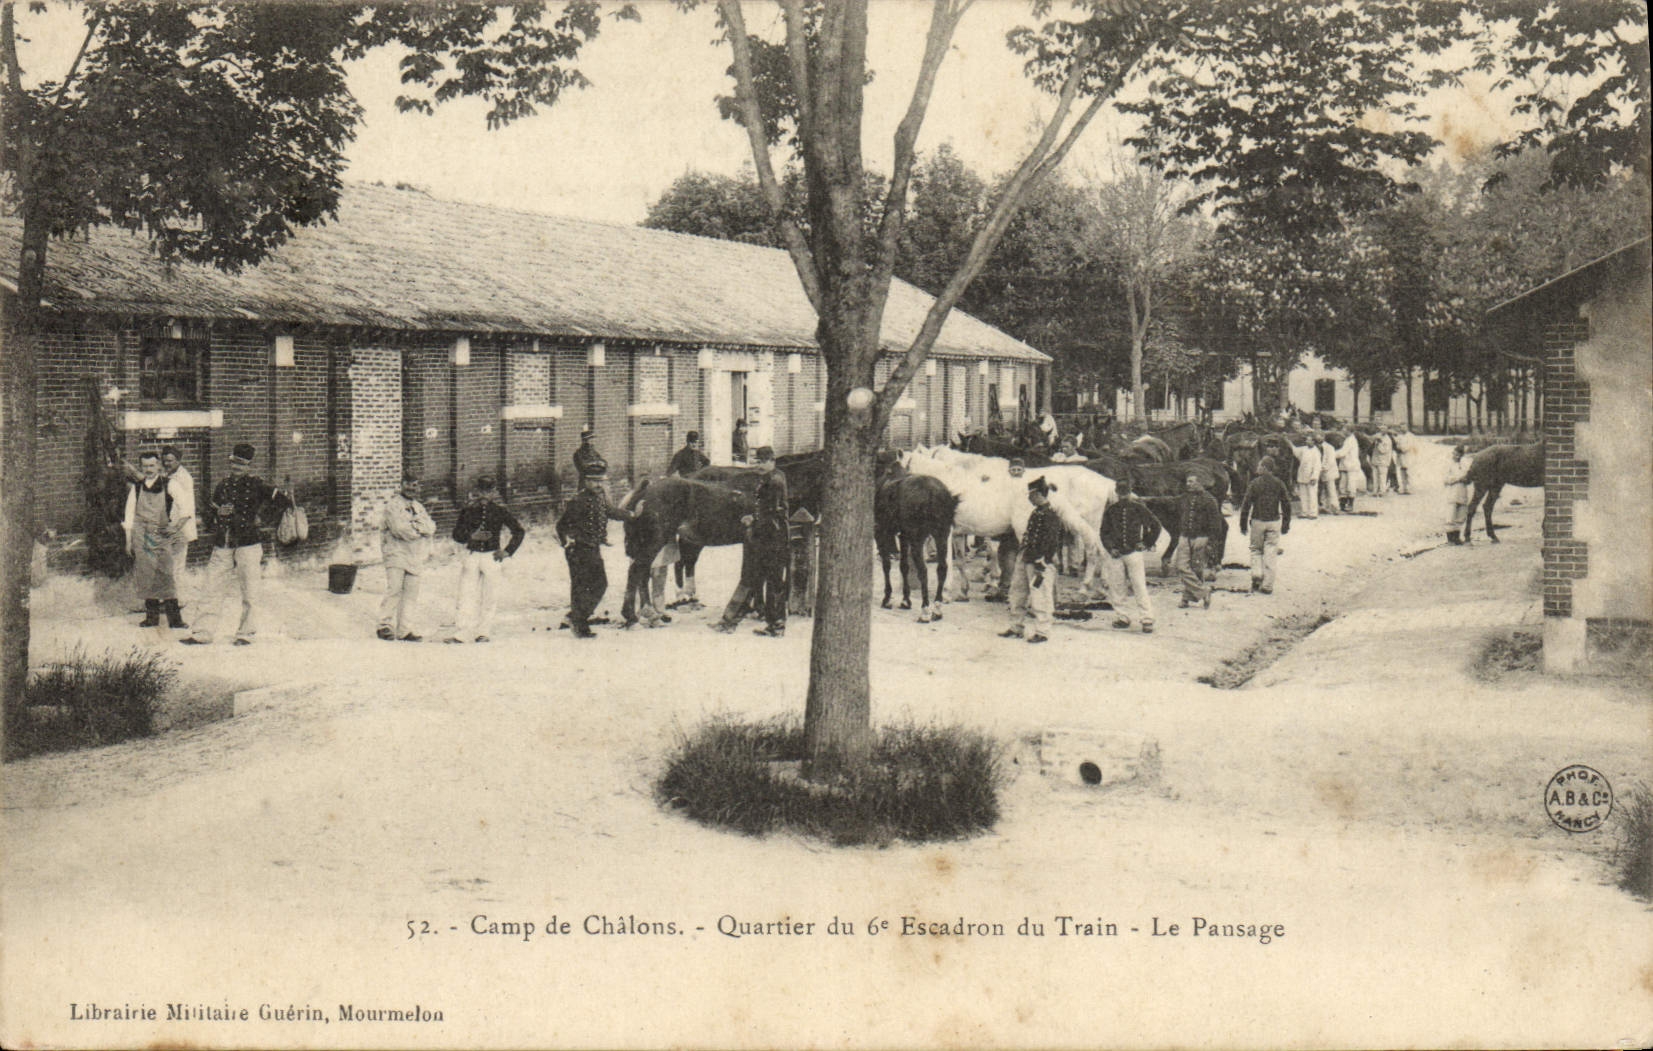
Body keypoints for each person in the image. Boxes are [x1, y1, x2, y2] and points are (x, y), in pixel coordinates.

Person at [183, 443, 283, 645]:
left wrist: (261, 518)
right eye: (234, 463)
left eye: (241, 464)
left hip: (248, 543)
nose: (236, 468)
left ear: (249, 466)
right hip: (224, 542)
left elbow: (282, 501)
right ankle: (202, 633)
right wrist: (217, 513)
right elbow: (209, 512)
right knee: (211, 586)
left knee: (250, 589)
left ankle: (245, 634)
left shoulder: (257, 485)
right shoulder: (223, 486)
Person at [710, 472, 790, 637]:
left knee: (757, 581)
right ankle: (773, 626)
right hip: (771, 540)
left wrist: (753, 522)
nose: (759, 465)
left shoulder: (774, 482)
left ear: (770, 460)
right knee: (767, 582)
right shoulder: (773, 478)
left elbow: (771, 514)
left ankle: (731, 622)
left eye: (763, 461)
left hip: (768, 541)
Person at [558, 459, 631, 638]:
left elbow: (612, 512)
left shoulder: (600, 499)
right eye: (594, 481)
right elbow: (561, 525)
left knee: (598, 584)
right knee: (584, 586)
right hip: (580, 549)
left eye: (601, 481)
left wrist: (632, 514)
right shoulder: (578, 501)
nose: (598, 485)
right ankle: (579, 622)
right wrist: (567, 542)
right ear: (586, 481)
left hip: (593, 548)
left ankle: (577, 618)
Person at [447, 475, 524, 643]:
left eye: (488, 491)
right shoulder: (468, 510)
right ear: (476, 491)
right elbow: (456, 534)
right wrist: (471, 536)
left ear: (494, 492)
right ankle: (461, 632)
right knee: (466, 594)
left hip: (491, 556)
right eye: (481, 491)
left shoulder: (499, 511)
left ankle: (483, 631)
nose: (484, 495)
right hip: (472, 555)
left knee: (490, 595)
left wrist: (507, 551)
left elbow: (519, 531)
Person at [122, 450, 187, 629]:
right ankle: (151, 618)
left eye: (152, 465)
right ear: (141, 467)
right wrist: (129, 541)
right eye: (145, 466)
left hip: (160, 534)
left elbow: (186, 509)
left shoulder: (170, 485)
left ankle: (175, 620)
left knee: (166, 574)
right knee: (145, 574)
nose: (148, 469)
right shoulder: (136, 488)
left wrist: (173, 530)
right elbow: (129, 516)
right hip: (141, 535)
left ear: (158, 465)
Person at [1000, 476, 1063, 644]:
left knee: (1040, 595)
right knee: (1017, 592)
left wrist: (1043, 561)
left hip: (1039, 561)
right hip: (1026, 557)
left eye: (1031, 494)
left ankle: (1042, 631)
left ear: (1038, 494)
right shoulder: (1037, 512)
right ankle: (1016, 627)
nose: (1029, 497)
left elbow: (1052, 541)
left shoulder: (1050, 515)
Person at [378, 474, 436, 641]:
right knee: (394, 589)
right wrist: (419, 528)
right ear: (402, 485)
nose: (412, 488)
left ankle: (404, 630)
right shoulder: (393, 506)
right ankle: (384, 626)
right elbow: (400, 530)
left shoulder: (418, 506)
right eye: (409, 485)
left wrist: (417, 526)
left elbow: (431, 527)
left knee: (411, 593)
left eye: (415, 485)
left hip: (415, 555)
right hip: (395, 553)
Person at [1101, 475, 1161, 634]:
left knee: (1139, 585)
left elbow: (1155, 525)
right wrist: (1110, 547)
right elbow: (1104, 532)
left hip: (1134, 552)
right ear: (1116, 493)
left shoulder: (1139, 508)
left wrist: (1146, 543)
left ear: (1130, 492)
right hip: (1116, 554)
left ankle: (1147, 618)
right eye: (1120, 493)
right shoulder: (1111, 510)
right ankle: (1122, 617)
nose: (1123, 496)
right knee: (1117, 586)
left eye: (1125, 492)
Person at [1239, 456, 1292, 595]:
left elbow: (1246, 504)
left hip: (1257, 521)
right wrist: (1286, 523)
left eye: (1259, 466)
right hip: (1274, 521)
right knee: (1271, 551)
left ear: (1264, 468)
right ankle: (1268, 585)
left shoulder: (1255, 483)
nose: (1257, 468)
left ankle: (1257, 576)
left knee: (1256, 550)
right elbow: (1286, 504)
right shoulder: (1279, 483)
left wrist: (1243, 523)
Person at [619, 477, 667, 629]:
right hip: (642, 546)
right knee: (637, 577)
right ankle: (632, 613)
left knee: (644, 576)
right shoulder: (639, 501)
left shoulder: (653, 501)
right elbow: (629, 522)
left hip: (649, 546)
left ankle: (646, 608)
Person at [1171, 472, 1223, 610]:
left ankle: (1186, 599)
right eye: (1187, 481)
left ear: (1200, 482)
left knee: (1196, 569)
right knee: (1181, 567)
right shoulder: (1184, 497)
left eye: (1191, 481)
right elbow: (1168, 500)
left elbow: (1216, 525)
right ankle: (1204, 592)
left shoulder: (1210, 500)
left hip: (1201, 538)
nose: (1188, 484)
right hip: (1185, 537)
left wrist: (1210, 542)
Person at [1444, 445, 1475, 545]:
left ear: (1461, 455)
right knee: (1451, 515)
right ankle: (1450, 539)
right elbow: (1446, 479)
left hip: (1462, 493)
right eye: (1454, 454)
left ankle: (1457, 538)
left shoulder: (1465, 466)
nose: (1455, 456)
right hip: (1452, 493)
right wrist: (1458, 478)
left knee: (1461, 515)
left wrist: (1466, 479)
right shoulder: (1449, 465)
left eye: (1458, 455)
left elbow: (1468, 478)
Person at [1295, 436, 1321, 519]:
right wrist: (1288, 442)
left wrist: (1314, 477)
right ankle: (1304, 512)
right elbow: (1295, 451)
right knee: (1303, 495)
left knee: (1312, 495)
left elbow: (1317, 466)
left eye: (1309, 440)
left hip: (1311, 476)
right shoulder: (1304, 449)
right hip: (1302, 475)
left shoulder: (1316, 452)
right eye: (1307, 440)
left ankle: (1313, 513)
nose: (1307, 441)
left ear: (1313, 442)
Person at [1336, 430, 1363, 512]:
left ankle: (1350, 504)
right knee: (1343, 485)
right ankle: (1343, 504)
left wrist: (1331, 454)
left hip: (1351, 466)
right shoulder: (1347, 439)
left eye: (1345, 429)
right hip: (1345, 466)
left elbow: (1342, 452)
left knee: (1351, 486)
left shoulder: (1351, 440)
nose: (1343, 431)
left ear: (1350, 431)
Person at [1318, 432, 1340, 515]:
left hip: (1329, 471)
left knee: (1331, 490)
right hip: (1322, 471)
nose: (1318, 438)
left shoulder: (1329, 447)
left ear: (1323, 437)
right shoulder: (1318, 447)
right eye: (1317, 437)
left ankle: (1335, 507)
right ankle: (1325, 507)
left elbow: (1330, 461)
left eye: (1320, 436)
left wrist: (1322, 468)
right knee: (1324, 490)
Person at [1391, 427, 1417, 494]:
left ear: (1407, 428)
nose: (1402, 429)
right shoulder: (1400, 436)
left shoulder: (1411, 436)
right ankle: (1404, 488)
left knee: (1409, 473)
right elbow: (1396, 443)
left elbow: (1409, 446)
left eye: (1404, 427)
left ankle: (1410, 489)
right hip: (1401, 456)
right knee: (1402, 472)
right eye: (1401, 427)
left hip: (1408, 456)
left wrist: (1401, 448)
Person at [1369, 429, 1394, 498]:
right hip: (1375, 460)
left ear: (1386, 431)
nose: (1381, 431)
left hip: (1383, 461)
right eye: (1380, 430)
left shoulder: (1388, 440)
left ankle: (1382, 491)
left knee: (1382, 477)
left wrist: (1379, 443)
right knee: (1375, 476)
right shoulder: (1378, 437)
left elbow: (1383, 451)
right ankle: (1375, 491)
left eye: (1383, 430)